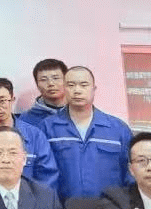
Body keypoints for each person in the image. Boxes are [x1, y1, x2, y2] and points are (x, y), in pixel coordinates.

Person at [42, 66, 133, 199]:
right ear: (64, 89)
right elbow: (42, 175)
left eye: (84, 85)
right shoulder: (47, 128)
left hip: (110, 208)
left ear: (94, 89)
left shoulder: (118, 129)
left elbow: (131, 173)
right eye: (71, 85)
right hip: (62, 208)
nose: (77, 90)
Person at [0, 78, 59, 190]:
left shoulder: (35, 135)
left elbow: (47, 177)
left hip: (28, 198)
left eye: (2, 101)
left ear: (12, 99)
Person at [17, 58, 68, 129]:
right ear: (37, 84)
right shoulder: (26, 120)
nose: (50, 83)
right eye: (43, 80)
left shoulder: (80, 112)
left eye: (55, 78)